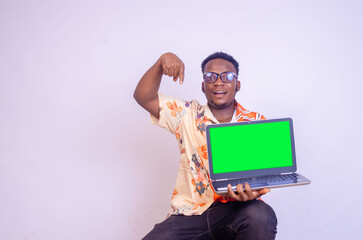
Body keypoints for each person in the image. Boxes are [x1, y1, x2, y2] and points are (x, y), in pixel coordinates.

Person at [134, 52, 278, 240]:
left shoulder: (256, 124)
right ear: (203, 86)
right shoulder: (186, 115)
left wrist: (251, 193)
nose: (218, 82)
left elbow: (263, 178)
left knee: (261, 215)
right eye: (211, 77)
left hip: (237, 213)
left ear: (238, 85)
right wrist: (162, 61)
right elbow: (144, 97)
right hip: (189, 215)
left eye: (227, 76)